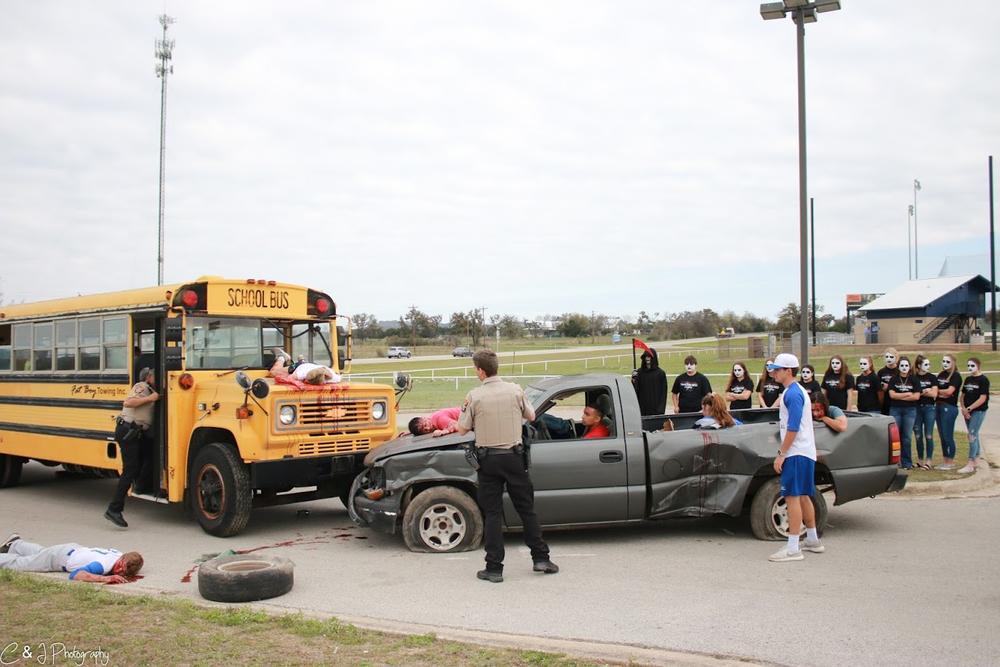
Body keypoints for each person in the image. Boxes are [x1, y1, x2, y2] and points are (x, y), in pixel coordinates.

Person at [455, 350, 558, 583]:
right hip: (514, 458)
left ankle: (494, 568)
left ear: (481, 371)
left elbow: (462, 429)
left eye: (475, 369)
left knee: (492, 514)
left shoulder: (474, 396)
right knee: (527, 510)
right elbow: (531, 416)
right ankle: (541, 558)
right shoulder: (515, 390)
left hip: (488, 461)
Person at [766, 353, 824, 562]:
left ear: (788, 371)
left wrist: (782, 454)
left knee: (792, 497)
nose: (773, 372)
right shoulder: (795, 391)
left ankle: (792, 548)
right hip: (804, 451)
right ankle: (812, 539)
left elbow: (793, 427)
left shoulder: (792, 394)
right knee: (802, 495)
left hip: (797, 452)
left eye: (777, 369)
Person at [105, 367, 159, 528]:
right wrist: (151, 398)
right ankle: (114, 509)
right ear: (149, 377)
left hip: (137, 433)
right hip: (127, 430)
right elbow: (128, 402)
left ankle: (142, 486)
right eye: (156, 375)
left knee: (147, 458)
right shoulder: (142, 386)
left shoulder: (152, 390)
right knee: (130, 470)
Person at [0, 534, 143, 584]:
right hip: (58, 559)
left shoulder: (118, 554)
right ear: (122, 564)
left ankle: (16, 544)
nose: (120, 573)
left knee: (40, 553)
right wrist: (105, 579)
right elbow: (75, 575)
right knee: (22, 564)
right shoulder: (103, 566)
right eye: (122, 571)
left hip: (71, 549)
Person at [887, 356, 920, 470]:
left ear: (909, 366)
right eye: (902, 365)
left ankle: (907, 462)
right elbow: (892, 395)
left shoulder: (914, 379)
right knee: (895, 437)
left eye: (906, 365)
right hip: (895, 410)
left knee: (906, 437)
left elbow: (916, 396)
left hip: (910, 411)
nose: (904, 368)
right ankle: (896, 462)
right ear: (899, 367)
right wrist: (907, 394)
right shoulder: (894, 379)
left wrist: (899, 396)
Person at [958, 358, 990, 474]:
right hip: (967, 411)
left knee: (971, 435)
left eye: (972, 365)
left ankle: (970, 462)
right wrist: (963, 409)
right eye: (968, 365)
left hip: (978, 411)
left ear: (978, 366)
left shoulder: (983, 380)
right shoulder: (968, 379)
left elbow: (983, 398)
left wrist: (970, 408)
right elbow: (962, 395)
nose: (970, 368)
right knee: (974, 434)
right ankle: (977, 459)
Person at [934, 354, 962, 470]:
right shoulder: (941, 375)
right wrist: (940, 392)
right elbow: (934, 390)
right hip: (938, 406)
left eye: (948, 361)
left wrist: (938, 392)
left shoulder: (955, 376)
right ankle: (945, 460)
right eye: (943, 361)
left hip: (949, 407)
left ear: (953, 363)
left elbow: (949, 392)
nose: (945, 363)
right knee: (942, 435)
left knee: (947, 435)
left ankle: (950, 461)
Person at [912, 355, 938, 469]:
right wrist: (924, 391)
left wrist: (923, 392)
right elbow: (915, 395)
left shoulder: (932, 377)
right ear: (919, 365)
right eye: (925, 364)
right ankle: (920, 460)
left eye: (929, 364)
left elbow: (934, 394)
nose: (928, 366)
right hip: (917, 408)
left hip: (929, 408)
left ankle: (929, 461)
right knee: (918, 435)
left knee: (928, 435)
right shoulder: (913, 377)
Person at [269, 350, 341, 384]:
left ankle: (301, 359)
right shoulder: (301, 373)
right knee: (273, 373)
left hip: (312, 365)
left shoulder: (334, 378)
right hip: (301, 366)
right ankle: (282, 357)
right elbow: (287, 379)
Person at [631, 349, 668, 416]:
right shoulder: (639, 373)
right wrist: (633, 380)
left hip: (656, 410)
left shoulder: (660, 373)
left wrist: (661, 410)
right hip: (642, 409)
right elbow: (635, 390)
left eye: (649, 356)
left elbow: (663, 393)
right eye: (646, 356)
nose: (647, 358)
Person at [877, 348, 900, 416]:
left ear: (896, 358)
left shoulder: (899, 371)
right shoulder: (881, 372)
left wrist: (889, 386)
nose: (889, 359)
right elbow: (878, 387)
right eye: (887, 357)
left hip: (897, 402)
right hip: (885, 402)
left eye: (891, 357)